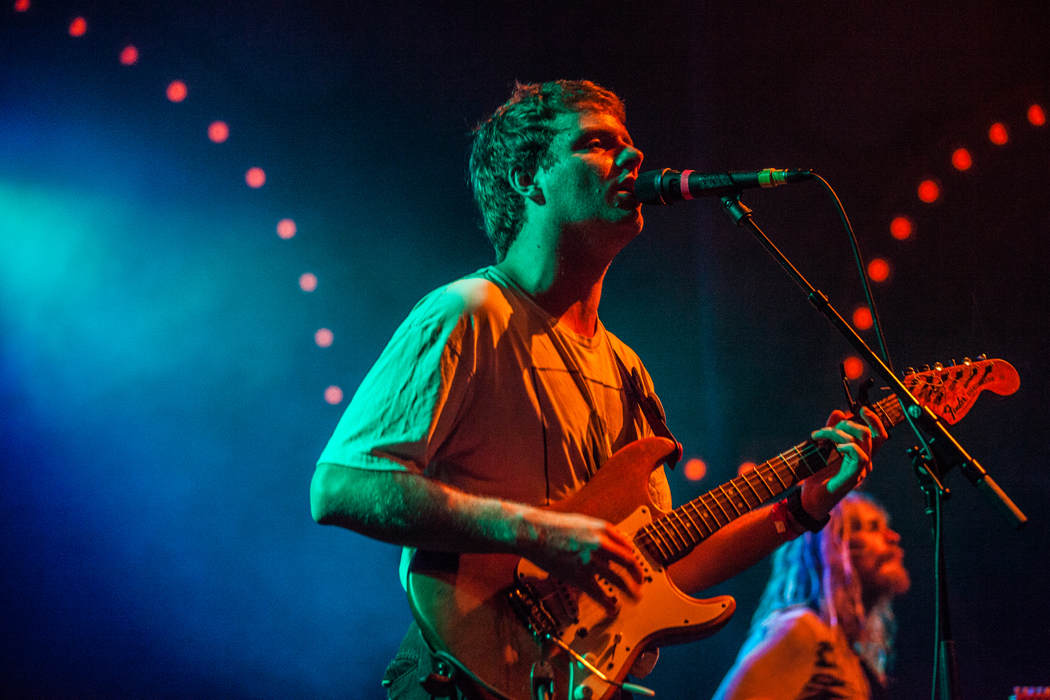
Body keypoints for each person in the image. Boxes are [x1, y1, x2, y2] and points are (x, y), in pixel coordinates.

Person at [309, 79, 887, 699]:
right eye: (597, 144)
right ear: (530, 180)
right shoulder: (469, 312)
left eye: (629, 142)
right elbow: (339, 486)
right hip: (461, 682)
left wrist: (801, 508)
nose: (633, 158)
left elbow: (659, 565)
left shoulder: (625, 368)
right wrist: (538, 534)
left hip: (573, 680)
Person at [712, 492, 911, 700]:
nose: (893, 537)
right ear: (834, 547)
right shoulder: (802, 629)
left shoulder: (845, 650)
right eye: (873, 527)